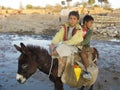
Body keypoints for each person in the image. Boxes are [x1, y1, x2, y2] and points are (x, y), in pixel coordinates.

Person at [49, 11, 83, 77]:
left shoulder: (79, 29)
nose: (72, 20)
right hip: (65, 45)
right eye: (70, 18)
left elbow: (74, 40)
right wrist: (53, 43)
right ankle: (57, 69)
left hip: (74, 47)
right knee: (52, 47)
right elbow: (58, 35)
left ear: (77, 20)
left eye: (74, 19)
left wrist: (63, 43)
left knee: (60, 48)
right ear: (68, 19)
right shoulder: (65, 27)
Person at [79, 15, 94, 80]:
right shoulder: (79, 28)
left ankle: (88, 72)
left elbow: (86, 41)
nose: (91, 24)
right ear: (85, 22)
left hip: (85, 46)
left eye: (92, 23)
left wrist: (79, 43)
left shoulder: (90, 31)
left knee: (83, 54)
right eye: (90, 22)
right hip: (76, 44)